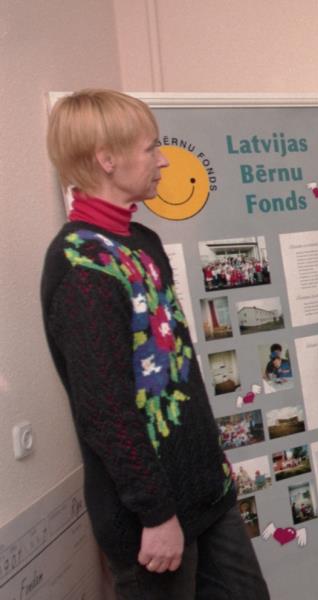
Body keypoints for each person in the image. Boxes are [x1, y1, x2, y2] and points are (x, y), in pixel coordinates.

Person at [40, 89, 269, 600]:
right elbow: (105, 411)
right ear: (107, 159)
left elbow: (177, 372)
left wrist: (213, 462)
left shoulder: (142, 242)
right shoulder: (80, 268)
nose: (163, 160)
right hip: (153, 521)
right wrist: (156, 513)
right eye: (150, 147)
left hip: (207, 493)